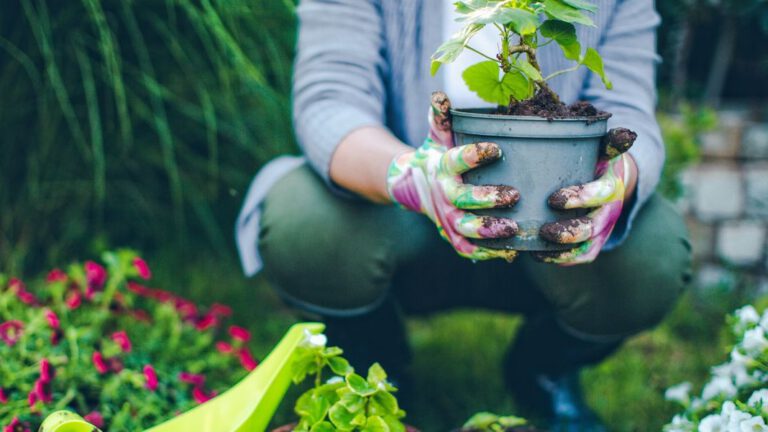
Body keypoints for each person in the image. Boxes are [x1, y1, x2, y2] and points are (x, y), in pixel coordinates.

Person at [235, 0, 692, 429]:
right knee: (304, 222)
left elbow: (629, 107)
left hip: (548, 219)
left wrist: (618, 179)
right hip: (394, 214)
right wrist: (412, 177)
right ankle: (375, 360)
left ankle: (544, 369)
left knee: (651, 253)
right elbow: (330, 101)